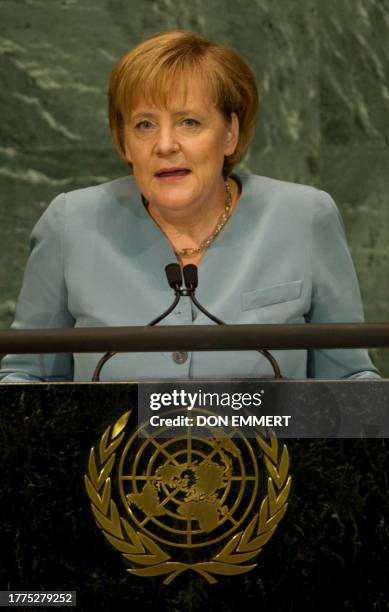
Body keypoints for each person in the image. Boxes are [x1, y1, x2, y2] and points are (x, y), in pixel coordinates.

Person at [0, 30, 380, 382]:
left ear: (229, 134)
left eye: (189, 122)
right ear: (123, 142)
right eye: (144, 125)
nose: (164, 145)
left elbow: (347, 383)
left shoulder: (303, 217)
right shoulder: (71, 225)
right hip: (115, 457)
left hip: (269, 455)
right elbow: (25, 383)